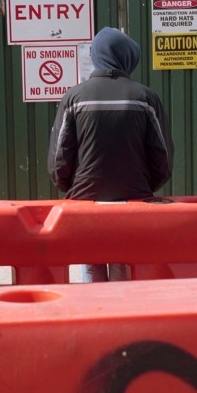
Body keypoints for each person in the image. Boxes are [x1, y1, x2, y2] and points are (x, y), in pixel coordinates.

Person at [47, 27, 174, 281]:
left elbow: (59, 158)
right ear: (129, 58)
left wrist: (73, 188)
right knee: (123, 265)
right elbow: (162, 158)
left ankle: (96, 307)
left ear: (96, 55)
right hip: (134, 201)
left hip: (86, 201)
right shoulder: (145, 98)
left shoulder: (74, 98)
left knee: (92, 269)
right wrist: (142, 188)